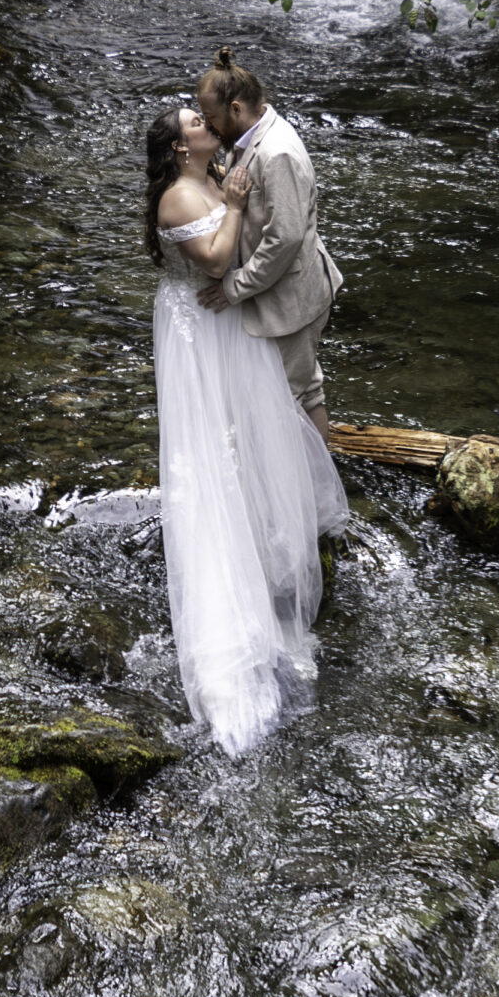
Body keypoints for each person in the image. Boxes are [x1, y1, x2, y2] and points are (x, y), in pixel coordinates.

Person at [145, 97, 349, 756]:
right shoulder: (180, 195)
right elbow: (212, 261)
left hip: (231, 323)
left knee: (263, 421)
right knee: (211, 441)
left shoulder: (216, 171)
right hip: (200, 328)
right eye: (195, 122)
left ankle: (275, 532)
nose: (207, 121)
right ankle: (233, 577)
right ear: (180, 148)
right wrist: (232, 206)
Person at [193, 46, 343, 444]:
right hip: (281, 293)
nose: (209, 127)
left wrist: (234, 287)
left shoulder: (277, 153)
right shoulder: (251, 135)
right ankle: (309, 491)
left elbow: (286, 237)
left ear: (237, 109)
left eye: (211, 118)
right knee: (302, 392)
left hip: (293, 299)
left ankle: (304, 497)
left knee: (291, 399)